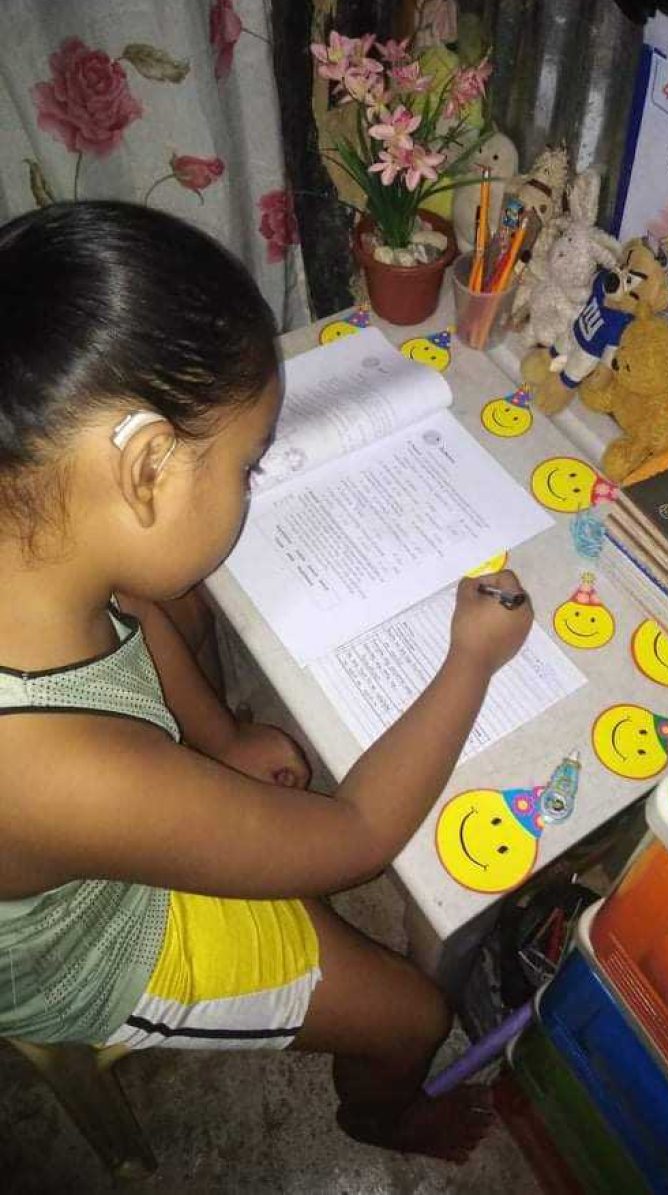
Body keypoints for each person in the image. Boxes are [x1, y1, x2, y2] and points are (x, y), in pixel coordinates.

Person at [0, 201, 533, 1162]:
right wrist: (471, 660)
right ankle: (379, 1113)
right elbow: (354, 840)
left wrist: (218, 736)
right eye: (249, 465)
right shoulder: (57, 770)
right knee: (411, 1010)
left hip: (108, 804)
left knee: (191, 614)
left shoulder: (35, 526)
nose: (253, 484)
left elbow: (134, 607)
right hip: (101, 942)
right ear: (149, 466)